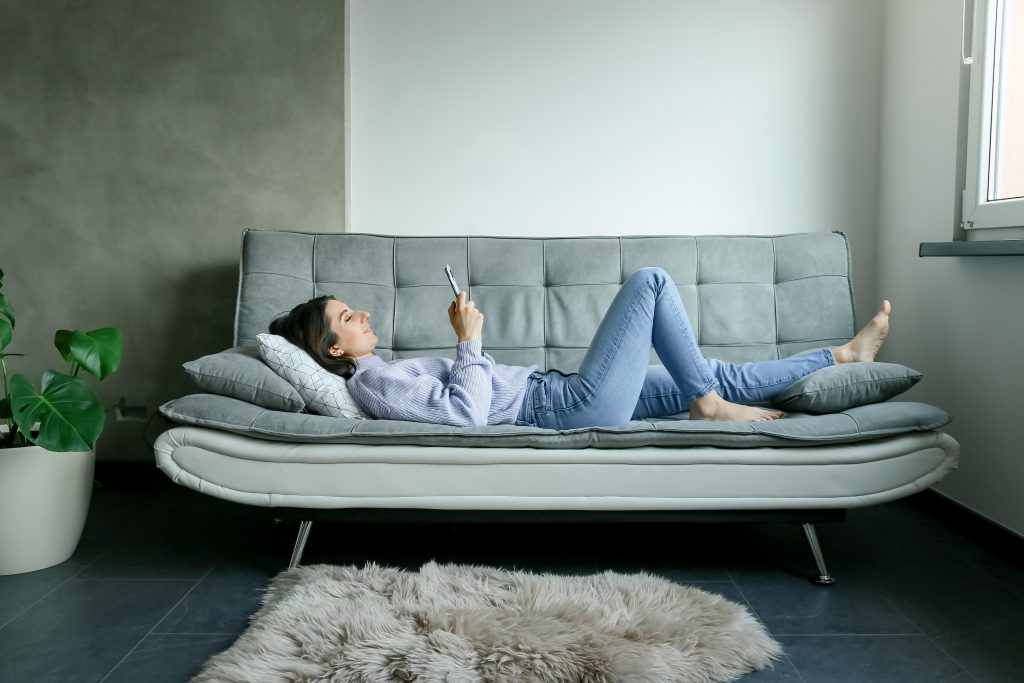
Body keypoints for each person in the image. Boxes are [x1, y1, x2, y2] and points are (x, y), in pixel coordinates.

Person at [268, 267, 890, 429]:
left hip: (562, 393)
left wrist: (470, 349)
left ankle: (840, 357)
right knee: (650, 282)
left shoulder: (380, 369)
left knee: (708, 370)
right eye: (350, 318)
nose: (365, 315)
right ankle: (707, 405)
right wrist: (471, 340)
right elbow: (465, 417)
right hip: (562, 407)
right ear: (334, 349)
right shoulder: (371, 381)